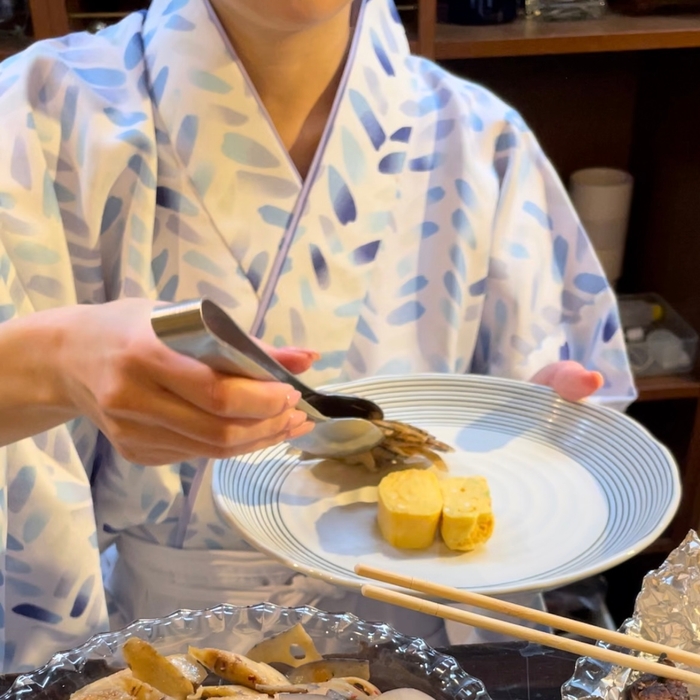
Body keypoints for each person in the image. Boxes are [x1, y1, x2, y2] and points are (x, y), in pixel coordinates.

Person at [0, 0, 636, 673]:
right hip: (155, 662)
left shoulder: (482, 139)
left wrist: (524, 457)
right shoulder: (32, 116)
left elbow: (552, 422)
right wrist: (51, 363)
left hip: (419, 658)